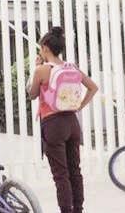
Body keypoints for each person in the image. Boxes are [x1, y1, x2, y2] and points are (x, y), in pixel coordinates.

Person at [28, 26, 98, 213]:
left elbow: (32, 94)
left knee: (61, 175)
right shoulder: (71, 67)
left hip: (53, 124)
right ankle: (78, 209)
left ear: (45, 48)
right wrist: (80, 106)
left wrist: (35, 69)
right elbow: (93, 87)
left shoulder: (42, 70)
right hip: (72, 123)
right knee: (75, 170)